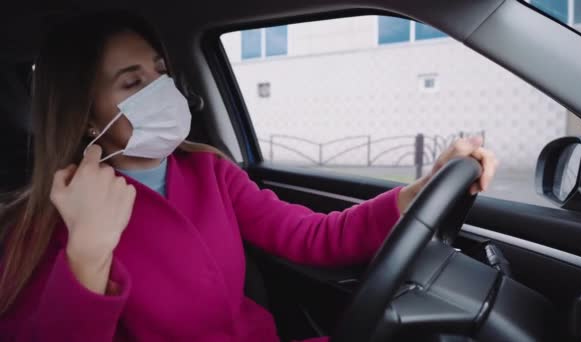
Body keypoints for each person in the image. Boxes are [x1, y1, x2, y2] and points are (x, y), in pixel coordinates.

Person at [0, 11, 497, 342]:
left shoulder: (210, 171)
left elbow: (311, 236)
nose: (161, 90)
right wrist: (86, 252)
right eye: (132, 82)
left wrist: (419, 192)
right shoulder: (44, 218)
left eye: (160, 72)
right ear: (87, 115)